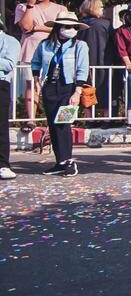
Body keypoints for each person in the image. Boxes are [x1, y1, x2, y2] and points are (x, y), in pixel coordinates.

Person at [29, 12, 89, 176]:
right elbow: (36, 62)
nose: (71, 30)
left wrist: (77, 92)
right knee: (53, 125)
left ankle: (69, 160)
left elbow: (82, 70)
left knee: (63, 124)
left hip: (68, 88)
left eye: (74, 27)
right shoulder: (45, 44)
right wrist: (36, 79)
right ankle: (60, 161)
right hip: (50, 87)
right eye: (67, 27)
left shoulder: (79, 45)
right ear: (58, 27)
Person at [19, 0, 68, 123]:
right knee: (32, 84)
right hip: (31, 51)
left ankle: (58, 118)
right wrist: (30, 5)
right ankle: (31, 120)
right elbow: (26, 27)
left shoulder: (60, 8)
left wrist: (40, 27)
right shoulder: (22, 7)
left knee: (58, 84)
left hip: (55, 51)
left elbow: (64, 29)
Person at [78, 0, 117, 116]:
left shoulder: (79, 25)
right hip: (104, 61)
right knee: (107, 90)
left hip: (84, 62)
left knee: (86, 88)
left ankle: (89, 117)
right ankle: (107, 117)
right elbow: (115, 41)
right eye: (100, 7)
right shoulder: (105, 24)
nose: (102, 9)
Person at [0, 27, 18, 179]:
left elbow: (8, 64)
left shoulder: (10, 41)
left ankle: (3, 164)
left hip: (1, 83)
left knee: (1, 126)